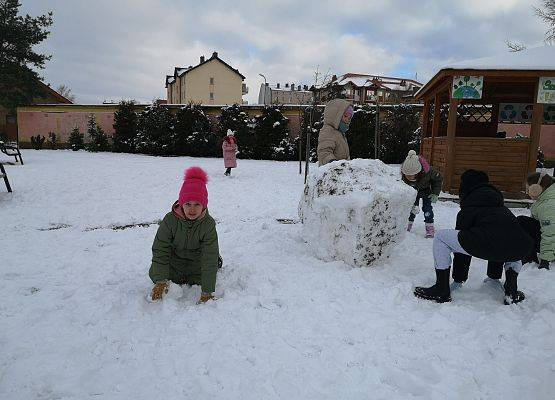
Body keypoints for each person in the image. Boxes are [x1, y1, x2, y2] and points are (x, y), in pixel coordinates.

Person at [413, 170, 534, 305]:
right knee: (510, 240)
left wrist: (459, 279)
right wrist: (494, 276)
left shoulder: (468, 211)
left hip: (491, 244)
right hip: (520, 247)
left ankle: (441, 289)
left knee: (441, 237)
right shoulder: (502, 208)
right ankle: (511, 291)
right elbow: (500, 240)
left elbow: (461, 249)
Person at [149, 167, 220, 304]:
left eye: (197, 204)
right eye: (188, 204)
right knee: (154, 273)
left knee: (211, 267)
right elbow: (160, 250)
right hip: (175, 263)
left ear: (204, 205)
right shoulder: (170, 220)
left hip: (196, 264)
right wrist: (161, 280)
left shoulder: (208, 224)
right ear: (181, 203)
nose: (192, 209)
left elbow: (209, 256)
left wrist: (207, 291)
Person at [401, 150, 443, 238]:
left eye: (411, 175)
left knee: (427, 209)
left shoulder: (429, 171)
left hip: (426, 191)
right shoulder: (405, 171)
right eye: (406, 175)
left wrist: (435, 193)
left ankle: (429, 227)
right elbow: (401, 184)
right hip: (413, 192)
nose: (408, 177)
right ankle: (407, 226)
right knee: (411, 208)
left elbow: (438, 179)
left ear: (418, 171)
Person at [519, 171, 555, 270]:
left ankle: (529, 257)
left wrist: (545, 260)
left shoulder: (549, 205)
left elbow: (550, 233)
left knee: (522, 222)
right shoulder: (546, 199)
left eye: (529, 189)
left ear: (537, 188)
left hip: (552, 244)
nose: (527, 192)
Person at [317, 98, 353, 166]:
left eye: (349, 118)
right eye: (345, 116)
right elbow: (324, 153)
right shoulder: (328, 131)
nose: (348, 120)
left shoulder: (339, 132)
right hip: (332, 173)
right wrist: (333, 162)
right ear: (335, 116)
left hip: (342, 173)